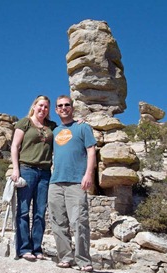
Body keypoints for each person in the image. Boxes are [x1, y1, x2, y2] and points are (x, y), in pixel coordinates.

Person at [48, 95, 97, 272]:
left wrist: (88, 174)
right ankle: (65, 258)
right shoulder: (53, 131)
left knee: (79, 222)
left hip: (77, 181)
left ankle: (84, 260)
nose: (63, 108)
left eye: (67, 105)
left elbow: (91, 151)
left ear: (72, 107)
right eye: (60, 105)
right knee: (58, 222)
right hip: (55, 182)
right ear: (56, 110)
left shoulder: (82, 127)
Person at [10, 95, 57, 261]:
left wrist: (78, 122)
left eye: (46, 107)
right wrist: (16, 169)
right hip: (27, 169)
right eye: (40, 106)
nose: (43, 109)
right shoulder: (25, 122)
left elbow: (66, 131)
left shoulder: (51, 126)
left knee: (40, 212)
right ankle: (24, 249)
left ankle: (37, 248)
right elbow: (15, 146)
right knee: (23, 211)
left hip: (45, 172)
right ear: (34, 106)